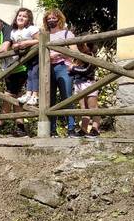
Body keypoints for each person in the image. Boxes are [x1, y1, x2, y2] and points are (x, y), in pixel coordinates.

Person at [43, 8, 77, 136]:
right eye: (49, 18)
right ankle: (52, 130)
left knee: (67, 98)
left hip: (63, 67)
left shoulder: (67, 34)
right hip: (48, 68)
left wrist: (58, 53)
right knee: (50, 99)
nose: (51, 20)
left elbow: (74, 51)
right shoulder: (44, 35)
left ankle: (71, 128)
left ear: (60, 19)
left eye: (54, 17)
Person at [70, 39, 101, 138]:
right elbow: (71, 72)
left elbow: (87, 71)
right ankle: (84, 129)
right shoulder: (77, 57)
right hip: (78, 84)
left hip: (88, 83)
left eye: (82, 46)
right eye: (78, 46)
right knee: (84, 108)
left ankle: (95, 129)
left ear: (88, 45)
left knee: (93, 108)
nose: (80, 48)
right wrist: (72, 69)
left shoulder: (91, 56)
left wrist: (73, 68)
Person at [11, 8, 41, 106]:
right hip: (26, 57)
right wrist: (15, 46)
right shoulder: (13, 32)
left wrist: (27, 42)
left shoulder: (31, 29)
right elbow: (14, 44)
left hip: (36, 55)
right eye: (19, 15)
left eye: (24, 16)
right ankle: (28, 94)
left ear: (29, 19)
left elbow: (41, 40)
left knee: (34, 74)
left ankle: (35, 95)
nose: (21, 17)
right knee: (29, 75)